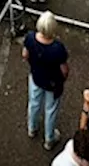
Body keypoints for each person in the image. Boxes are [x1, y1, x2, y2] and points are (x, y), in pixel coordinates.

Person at [23, 11, 69, 152]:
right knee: (50, 110)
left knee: (34, 103)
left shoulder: (30, 38)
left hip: (36, 78)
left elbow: (25, 54)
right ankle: (49, 139)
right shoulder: (58, 49)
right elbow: (64, 69)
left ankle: (32, 128)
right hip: (52, 84)